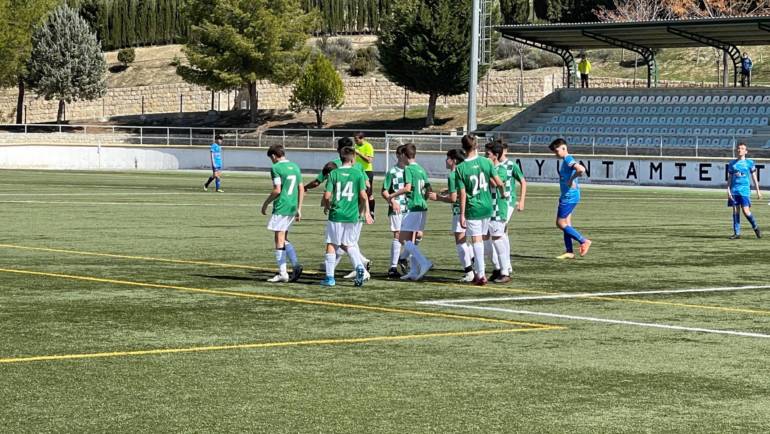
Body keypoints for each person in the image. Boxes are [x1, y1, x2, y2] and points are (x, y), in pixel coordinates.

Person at [305, 137, 372, 277]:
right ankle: (360, 265)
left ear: (338, 150)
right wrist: (366, 210)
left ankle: (341, 270)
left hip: (338, 210)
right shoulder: (358, 167)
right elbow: (367, 187)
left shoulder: (334, 167)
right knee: (350, 241)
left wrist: (306, 188)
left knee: (336, 241)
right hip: (356, 210)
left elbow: (318, 182)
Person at [321, 146, 373, 287]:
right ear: (353, 158)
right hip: (352, 215)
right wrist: (363, 211)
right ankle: (359, 268)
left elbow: (327, 195)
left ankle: (330, 278)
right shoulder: (357, 173)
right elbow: (363, 195)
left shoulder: (334, 173)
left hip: (336, 214)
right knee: (348, 244)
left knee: (332, 244)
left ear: (341, 158)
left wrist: (327, 205)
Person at [455, 134, 504, 285]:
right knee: (482, 239)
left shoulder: (461, 168)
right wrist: (503, 195)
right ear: (476, 146)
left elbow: (462, 194)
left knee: (476, 240)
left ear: (463, 148)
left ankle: (481, 275)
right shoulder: (486, 162)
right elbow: (499, 183)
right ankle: (489, 268)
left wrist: (462, 214)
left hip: (473, 207)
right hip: (487, 206)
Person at [388, 143, 434, 281]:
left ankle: (424, 262)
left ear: (404, 155)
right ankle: (414, 271)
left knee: (402, 238)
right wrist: (422, 197)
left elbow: (407, 188)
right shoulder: (421, 169)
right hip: (422, 207)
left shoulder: (408, 169)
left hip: (413, 207)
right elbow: (429, 189)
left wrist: (393, 195)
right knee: (412, 240)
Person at [261, 145, 304, 283]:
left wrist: (265, 203)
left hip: (282, 206)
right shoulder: (295, 166)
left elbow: (277, 190)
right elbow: (301, 188)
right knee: (284, 237)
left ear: (274, 156)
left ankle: (283, 273)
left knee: (279, 238)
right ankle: (296, 265)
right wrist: (299, 208)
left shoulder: (276, 168)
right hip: (292, 206)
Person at [433, 148, 475, 282]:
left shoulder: (453, 175)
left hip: (459, 211)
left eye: (448, 158)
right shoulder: (467, 170)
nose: (446, 160)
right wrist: (449, 190)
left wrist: (438, 197)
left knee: (460, 242)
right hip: (473, 209)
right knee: (473, 240)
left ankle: (469, 271)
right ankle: (475, 263)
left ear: (454, 160)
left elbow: (453, 199)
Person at [549, 138, 591, 259]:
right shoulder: (566, 160)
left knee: (560, 223)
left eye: (556, 151)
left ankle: (584, 241)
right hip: (569, 195)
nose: (555, 154)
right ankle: (569, 251)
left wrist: (571, 180)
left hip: (569, 196)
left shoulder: (568, 159)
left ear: (564, 148)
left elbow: (581, 169)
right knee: (567, 223)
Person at [484, 142, 512, 284]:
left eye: (488, 154)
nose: (485, 156)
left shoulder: (502, 169)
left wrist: (485, 171)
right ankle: (496, 267)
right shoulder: (490, 168)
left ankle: (505, 271)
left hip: (498, 208)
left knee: (497, 239)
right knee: (485, 239)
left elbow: (497, 183)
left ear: (495, 155)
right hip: (488, 208)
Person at [381, 145, 408, 279]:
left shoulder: (412, 170)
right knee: (398, 235)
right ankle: (392, 267)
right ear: (399, 155)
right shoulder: (392, 172)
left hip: (411, 208)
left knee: (417, 235)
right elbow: (384, 190)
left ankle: (403, 258)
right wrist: (392, 201)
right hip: (397, 207)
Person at [727, 143, 762, 239]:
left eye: (742, 148)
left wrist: (758, 190)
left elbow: (754, 178)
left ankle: (755, 227)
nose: (740, 150)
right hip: (734, 190)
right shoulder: (732, 164)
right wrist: (728, 190)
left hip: (745, 191)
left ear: (746, 151)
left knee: (746, 211)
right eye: (738, 148)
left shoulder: (749, 163)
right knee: (735, 210)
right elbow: (729, 178)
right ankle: (736, 233)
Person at [354, 132, 376, 220]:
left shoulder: (368, 146)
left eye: (356, 139)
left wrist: (359, 153)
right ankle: (359, 213)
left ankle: (371, 212)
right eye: (354, 139)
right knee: (358, 193)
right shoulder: (355, 146)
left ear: (362, 138)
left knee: (369, 194)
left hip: (367, 172)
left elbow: (369, 160)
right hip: (357, 172)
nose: (355, 140)